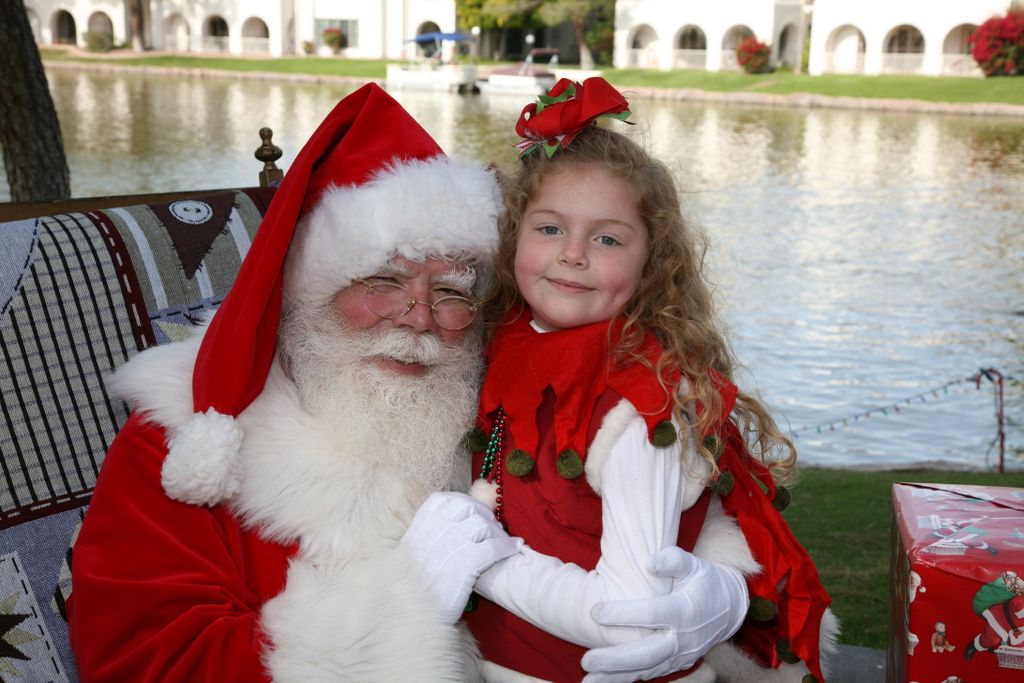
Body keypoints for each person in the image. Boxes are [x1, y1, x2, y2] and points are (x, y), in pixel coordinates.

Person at [67, 84, 752, 681]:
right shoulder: (183, 443)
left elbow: (638, 489)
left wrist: (720, 589)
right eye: (383, 281)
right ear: (309, 289)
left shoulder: (499, 397)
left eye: (452, 290)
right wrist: (399, 602)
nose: (419, 317)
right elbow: (144, 662)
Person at [456, 77, 838, 682]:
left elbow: (633, 618)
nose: (573, 253)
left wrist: (482, 561)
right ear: (513, 238)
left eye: (607, 238)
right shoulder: (504, 339)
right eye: (550, 228)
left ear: (652, 263)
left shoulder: (641, 398)